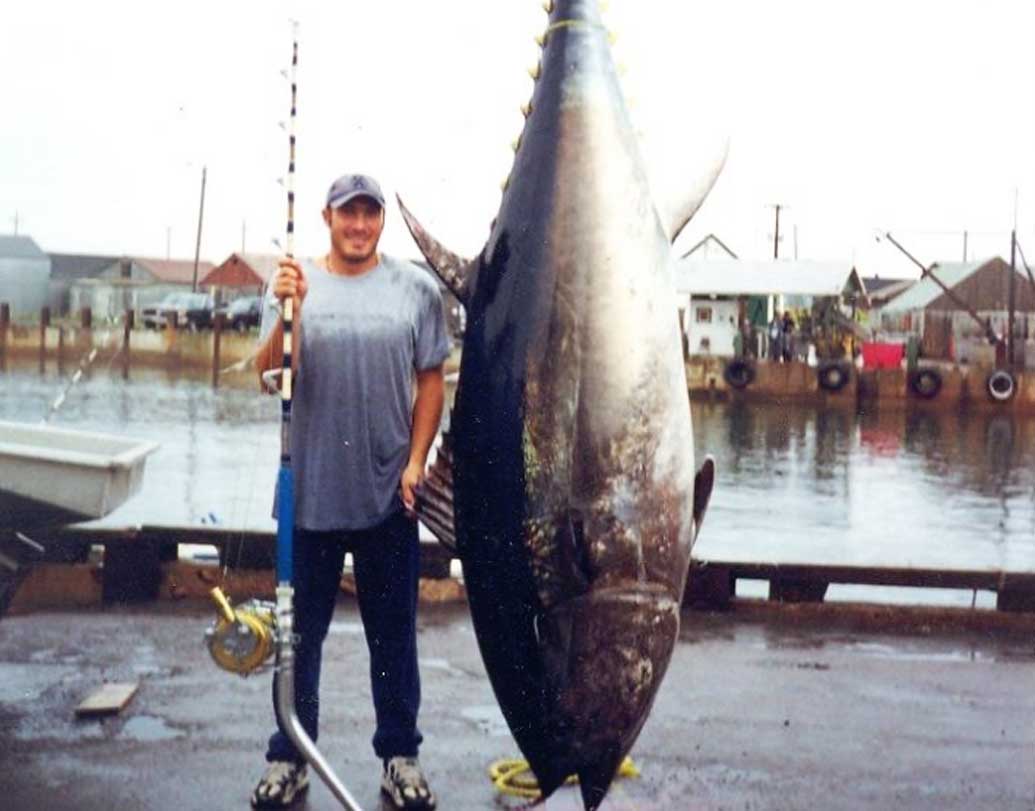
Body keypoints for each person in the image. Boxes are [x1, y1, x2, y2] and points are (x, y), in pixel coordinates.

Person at [252, 173, 449, 810]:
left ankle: (400, 756)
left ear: (380, 221)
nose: (358, 225)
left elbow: (431, 381)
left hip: (390, 497)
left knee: (393, 641)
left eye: (369, 214)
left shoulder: (415, 290)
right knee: (296, 639)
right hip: (306, 496)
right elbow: (269, 373)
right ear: (327, 217)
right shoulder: (290, 285)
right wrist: (293, 313)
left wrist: (416, 461)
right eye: (347, 214)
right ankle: (290, 757)